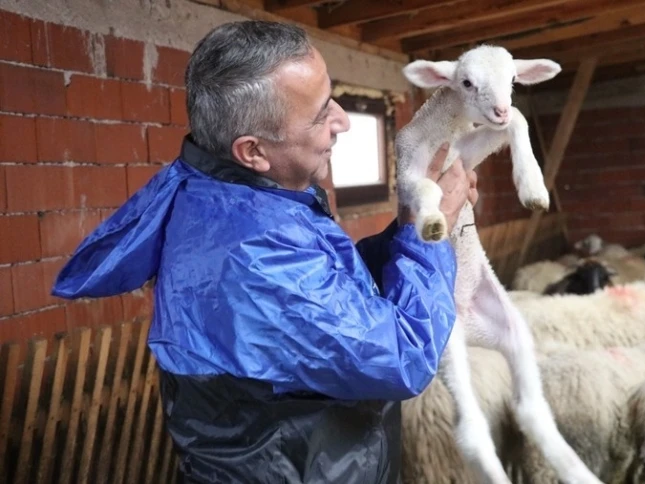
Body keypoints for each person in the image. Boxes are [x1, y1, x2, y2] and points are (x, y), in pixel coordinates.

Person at [52, 20, 478, 484]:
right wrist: (428, 232)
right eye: (319, 115)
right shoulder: (252, 253)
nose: (342, 120)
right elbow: (402, 357)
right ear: (253, 151)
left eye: (331, 96)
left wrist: (409, 228)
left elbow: (336, 293)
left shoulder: (237, 202)